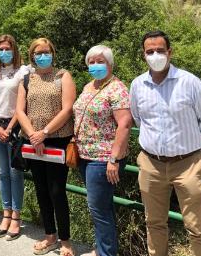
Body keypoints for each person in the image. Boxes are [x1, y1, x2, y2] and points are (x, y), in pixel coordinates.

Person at [130, 30, 201, 256]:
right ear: (143, 55)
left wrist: (186, 146)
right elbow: (139, 120)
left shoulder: (189, 82)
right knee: (154, 224)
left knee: (197, 227)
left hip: (188, 164)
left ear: (170, 52)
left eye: (160, 50)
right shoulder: (138, 85)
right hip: (151, 164)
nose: (155, 55)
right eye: (150, 51)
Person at [16, 38, 76, 256]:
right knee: (41, 189)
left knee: (57, 191)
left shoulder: (63, 76)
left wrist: (45, 133)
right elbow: (20, 110)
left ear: (53, 52)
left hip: (57, 138)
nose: (42, 56)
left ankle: (66, 240)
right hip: (32, 140)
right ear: (32, 56)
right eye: (37, 53)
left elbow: (67, 109)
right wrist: (33, 134)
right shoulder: (26, 79)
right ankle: (50, 235)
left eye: (45, 52)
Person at [73, 45, 132, 256]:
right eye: (92, 61)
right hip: (84, 156)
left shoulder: (117, 89)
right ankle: (101, 250)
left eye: (101, 61)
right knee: (98, 208)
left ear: (110, 64)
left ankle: (107, 253)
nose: (95, 65)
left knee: (99, 210)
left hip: (104, 158)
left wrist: (114, 159)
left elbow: (125, 124)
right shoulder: (89, 86)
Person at [0, 34, 27, 240]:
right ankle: (6, 213)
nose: (4, 52)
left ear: (14, 50)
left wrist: (8, 129)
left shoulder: (23, 71)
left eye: (7, 49)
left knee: (14, 172)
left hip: (14, 127)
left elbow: (21, 104)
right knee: (2, 172)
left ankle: (17, 216)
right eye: (0, 49)